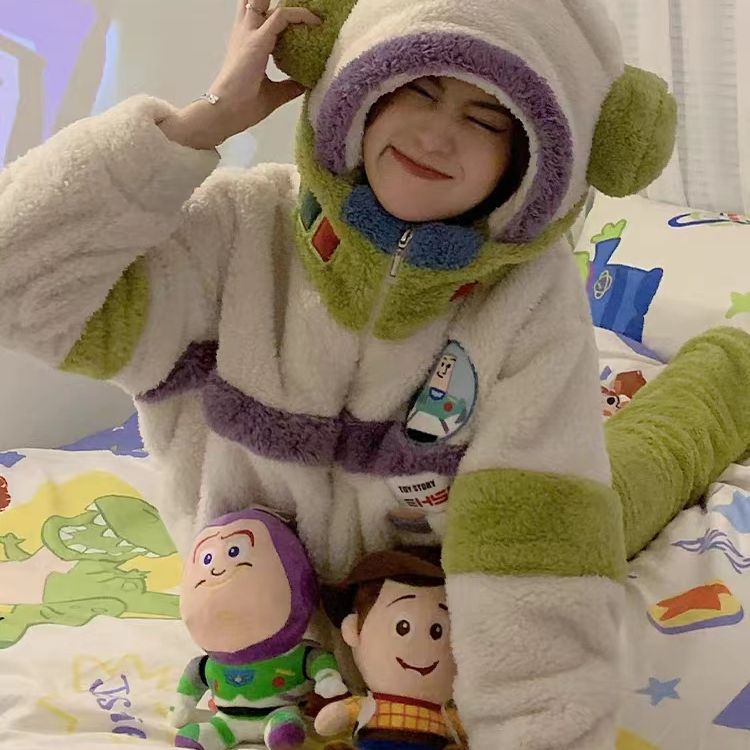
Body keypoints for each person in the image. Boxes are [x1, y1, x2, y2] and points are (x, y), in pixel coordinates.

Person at [1, 1, 747, 748]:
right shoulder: (238, 230)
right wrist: (204, 121)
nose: (436, 135)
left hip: (440, 631)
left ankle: (732, 367)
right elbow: (17, 282)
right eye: (419, 88)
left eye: (486, 119)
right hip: (275, 638)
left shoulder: (530, 299)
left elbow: (536, 561)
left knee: (633, 474)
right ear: (359, 90)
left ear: (530, 163)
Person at [315, 548, 465, 750]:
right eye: (403, 628)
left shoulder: (449, 715)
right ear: (353, 630)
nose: (417, 648)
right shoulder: (367, 706)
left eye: (437, 631)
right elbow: (328, 722)